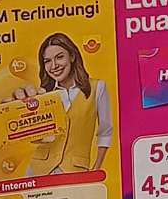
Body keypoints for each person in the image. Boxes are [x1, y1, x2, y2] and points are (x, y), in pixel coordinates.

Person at [35, 32, 112, 176]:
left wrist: (96, 167)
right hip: (39, 169)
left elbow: (105, 132)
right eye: (47, 61)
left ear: (72, 56)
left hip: (75, 169)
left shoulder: (97, 88)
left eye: (59, 57)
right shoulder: (43, 94)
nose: (54, 66)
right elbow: (35, 136)